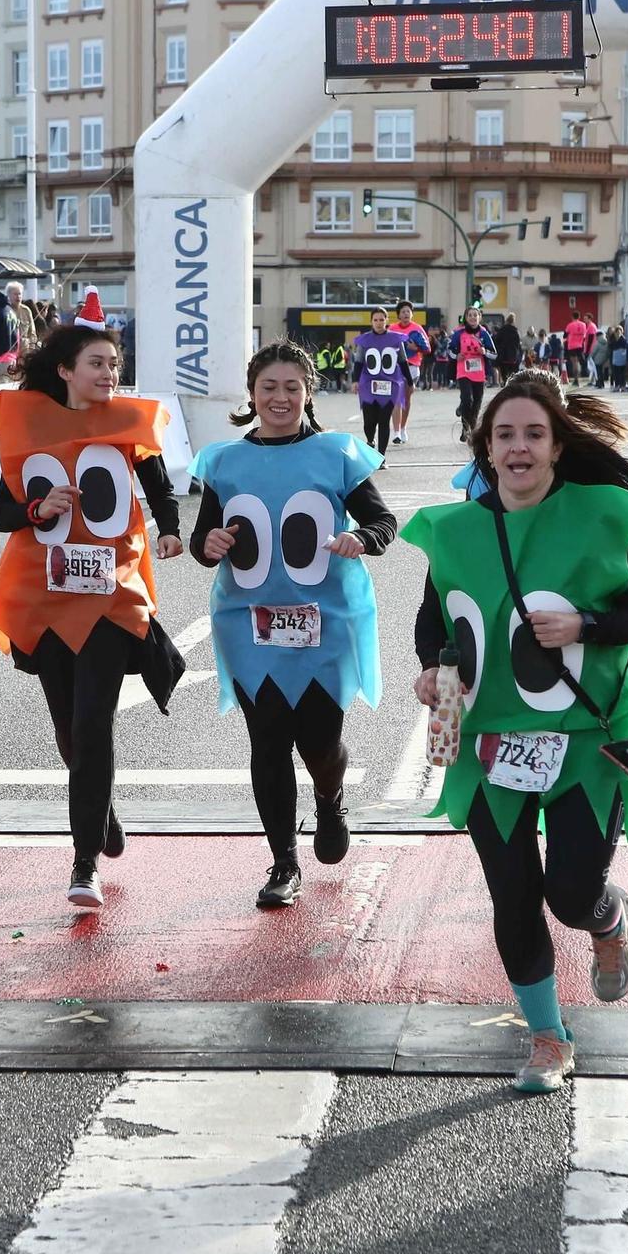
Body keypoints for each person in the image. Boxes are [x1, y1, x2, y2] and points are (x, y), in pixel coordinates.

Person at [400, 373, 628, 1094]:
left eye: (533, 434)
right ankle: (549, 1037)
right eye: (504, 435)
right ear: (484, 448)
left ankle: (607, 919)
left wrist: (585, 625)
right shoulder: (457, 530)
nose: (518, 448)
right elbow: (434, 618)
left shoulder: (601, 517)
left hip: (585, 737)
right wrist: (431, 668)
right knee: (513, 893)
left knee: (569, 893)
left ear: (556, 445)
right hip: (490, 740)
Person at [0, 299, 186, 908]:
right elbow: (1, 514)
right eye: (97, 363)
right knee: (69, 727)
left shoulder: (127, 423)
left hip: (108, 593)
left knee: (95, 722)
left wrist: (171, 529)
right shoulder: (28, 427)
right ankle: (102, 812)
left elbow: (160, 487)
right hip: (44, 595)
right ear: (66, 370)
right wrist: (35, 510)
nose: (109, 374)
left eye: (115, 364)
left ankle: (83, 862)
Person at [190, 341, 397, 906]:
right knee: (267, 740)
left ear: (308, 393)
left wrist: (363, 538)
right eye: (268, 388)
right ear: (252, 395)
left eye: (291, 388)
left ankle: (329, 801)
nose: (279, 398)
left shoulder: (337, 454)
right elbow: (204, 540)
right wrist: (207, 545)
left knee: (320, 741)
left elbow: (383, 519)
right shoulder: (226, 462)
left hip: (324, 622)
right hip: (250, 623)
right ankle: (283, 862)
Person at [350, 305, 407, 459]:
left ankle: (381, 456)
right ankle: (370, 440)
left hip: (390, 384)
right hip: (369, 384)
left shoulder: (395, 339)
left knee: (384, 420)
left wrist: (409, 381)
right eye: (375, 320)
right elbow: (359, 362)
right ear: (371, 321)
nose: (379, 322)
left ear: (386, 320)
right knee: (369, 422)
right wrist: (355, 381)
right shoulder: (364, 340)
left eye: (382, 319)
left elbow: (402, 361)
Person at [446, 304, 498, 440]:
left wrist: (485, 352)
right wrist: (456, 355)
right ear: (465, 318)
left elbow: (494, 354)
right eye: (470, 315)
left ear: (479, 317)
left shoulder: (484, 333)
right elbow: (450, 350)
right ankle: (466, 428)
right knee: (467, 398)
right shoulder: (459, 333)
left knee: (477, 402)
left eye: (475, 315)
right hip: (463, 371)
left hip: (479, 372)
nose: (473, 317)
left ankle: (472, 427)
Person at [391, 301, 431, 445]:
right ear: (398, 315)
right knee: (396, 399)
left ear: (412, 314)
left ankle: (403, 428)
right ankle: (396, 433)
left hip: (412, 367)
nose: (406, 314)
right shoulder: (392, 329)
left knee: (406, 400)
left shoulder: (417, 328)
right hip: (395, 368)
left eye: (408, 311)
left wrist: (416, 347)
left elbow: (428, 349)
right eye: (403, 312)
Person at [495, 314, 524, 388]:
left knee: (505, 373)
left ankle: (505, 384)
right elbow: (518, 344)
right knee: (513, 374)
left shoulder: (502, 330)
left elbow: (496, 341)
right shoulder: (515, 331)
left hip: (503, 356)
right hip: (513, 356)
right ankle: (512, 386)